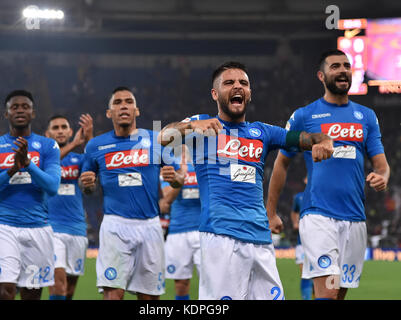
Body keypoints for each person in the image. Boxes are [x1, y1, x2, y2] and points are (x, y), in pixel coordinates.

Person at [158, 61, 334, 300]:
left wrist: (325, 141)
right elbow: (163, 137)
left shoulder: (263, 132)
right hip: (221, 236)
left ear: (249, 93)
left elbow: (308, 138)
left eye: (243, 83)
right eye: (229, 83)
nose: (237, 86)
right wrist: (193, 125)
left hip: (261, 239)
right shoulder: (202, 125)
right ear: (215, 93)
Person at [266, 49, 390, 300]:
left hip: (355, 218)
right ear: (321, 76)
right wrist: (270, 211)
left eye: (346, 65)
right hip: (319, 216)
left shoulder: (366, 117)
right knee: (329, 293)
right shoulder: (305, 115)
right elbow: (281, 163)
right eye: (335, 66)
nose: (343, 70)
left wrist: (383, 177)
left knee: (338, 294)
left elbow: (382, 165)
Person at [79, 86, 182, 300]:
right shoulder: (95, 146)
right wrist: (86, 184)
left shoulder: (157, 140)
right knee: (112, 295)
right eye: (117, 102)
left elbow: (179, 178)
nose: (123, 105)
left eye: (128, 101)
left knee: (149, 299)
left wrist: (175, 179)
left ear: (137, 110)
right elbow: (88, 188)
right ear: (109, 113)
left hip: (150, 226)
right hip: (115, 226)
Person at [0, 90, 61, 300]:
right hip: (4, 228)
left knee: (32, 296)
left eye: (25, 107)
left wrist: (28, 164)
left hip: (38, 229)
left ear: (33, 113)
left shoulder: (49, 146)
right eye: (14, 107)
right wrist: (11, 170)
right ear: (6, 114)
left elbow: (52, 186)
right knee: (4, 292)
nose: (20, 110)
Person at [45, 113, 93, 300]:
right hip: (51, 228)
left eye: (64, 127)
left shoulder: (79, 160)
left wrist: (89, 138)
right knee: (57, 285)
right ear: (47, 134)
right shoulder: (41, 158)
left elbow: (93, 167)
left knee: (69, 291)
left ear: (71, 131)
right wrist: (75, 143)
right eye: (55, 128)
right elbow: (49, 162)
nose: (60, 131)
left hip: (77, 229)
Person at [159, 145, 201, 300]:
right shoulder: (170, 170)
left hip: (204, 230)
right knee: (181, 284)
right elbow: (165, 201)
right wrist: (181, 176)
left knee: (211, 280)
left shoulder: (203, 167)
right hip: (178, 231)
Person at [290, 176, 313, 300]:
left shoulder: (322, 195)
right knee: (305, 273)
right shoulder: (298, 197)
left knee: (322, 274)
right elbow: (294, 212)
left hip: (319, 241)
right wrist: (295, 222)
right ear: (305, 180)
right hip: (302, 242)